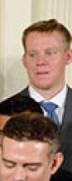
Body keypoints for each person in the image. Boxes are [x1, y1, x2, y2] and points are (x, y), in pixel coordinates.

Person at [16, 19, 72, 172]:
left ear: (68, 57)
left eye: (50, 53)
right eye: (33, 54)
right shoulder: (3, 114)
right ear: (24, 60)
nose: (41, 62)